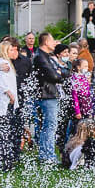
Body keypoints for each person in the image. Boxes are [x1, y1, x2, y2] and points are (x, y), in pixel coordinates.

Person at [30, 34, 67, 164]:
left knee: (47, 126)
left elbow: (62, 72)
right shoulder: (41, 57)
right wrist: (59, 74)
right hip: (46, 95)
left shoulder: (44, 56)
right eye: (52, 40)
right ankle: (48, 156)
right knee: (50, 126)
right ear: (46, 42)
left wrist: (59, 73)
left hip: (47, 94)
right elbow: (54, 76)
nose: (55, 43)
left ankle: (45, 155)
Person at [0, 41, 21, 168]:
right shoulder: (4, 64)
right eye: (11, 50)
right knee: (6, 133)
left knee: (4, 133)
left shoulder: (1, 63)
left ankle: (1, 160)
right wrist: (11, 96)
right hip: (4, 103)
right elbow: (3, 84)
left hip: (3, 103)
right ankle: (6, 161)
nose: (14, 52)